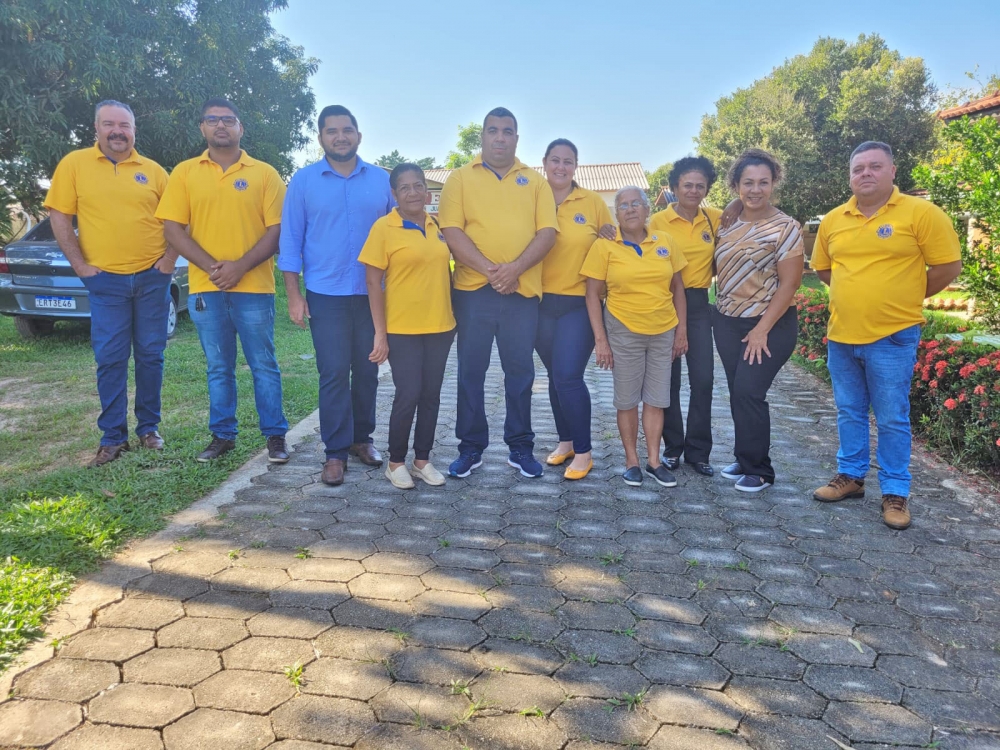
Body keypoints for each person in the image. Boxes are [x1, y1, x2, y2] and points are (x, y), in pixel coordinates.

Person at [811, 141, 962, 529]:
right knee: (849, 409)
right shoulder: (833, 219)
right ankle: (851, 477)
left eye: (875, 166)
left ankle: (895, 493)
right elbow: (825, 270)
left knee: (892, 416)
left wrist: (905, 295)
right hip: (843, 334)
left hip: (893, 336)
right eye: (858, 168)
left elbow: (947, 266)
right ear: (850, 175)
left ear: (893, 171)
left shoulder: (921, 214)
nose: (866, 173)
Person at [157, 97, 289, 464]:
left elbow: (277, 230)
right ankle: (222, 436)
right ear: (202, 127)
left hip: (255, 288)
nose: (221, 126)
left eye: (228, 120)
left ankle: (276, 437)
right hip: (205, 288)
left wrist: (240, 266)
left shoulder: (264, 173)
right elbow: (172, 227)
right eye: (212, 120)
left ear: (240, 128)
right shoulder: (184, 172)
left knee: (263, 363)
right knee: (218, 366)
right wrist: (216, 267)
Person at [44, 100, 175, 467]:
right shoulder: (74, 164)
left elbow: (177, 219)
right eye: (109, 124)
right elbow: (59, 216)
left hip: (152, 278)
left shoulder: (153, 171)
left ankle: (149, 429)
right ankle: (113, 438)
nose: (118, 131)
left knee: (152, 355)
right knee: (111, 358)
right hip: (106, 282)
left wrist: (167, 263)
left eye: (125, 125)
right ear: (96, 129)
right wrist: (81, 266)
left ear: (134, 130)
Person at [438, 107, 558, 479]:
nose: (500, 137)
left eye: (508, 131)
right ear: (483, 137)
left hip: (521, 294)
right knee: (471, 372)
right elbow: (453, 232)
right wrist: (492, 272)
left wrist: (514, 270)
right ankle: (471, 448)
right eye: (493, 130)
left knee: (520, 373)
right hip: (474, 292)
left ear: (517, 139)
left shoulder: (535, 182)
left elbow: (548, 233)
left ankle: (520, 446)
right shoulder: (459, 179)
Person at [278, 105, 393, 486]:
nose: (340, 136)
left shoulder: (381, 181)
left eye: (347, 130)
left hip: (372, 295)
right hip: (325, 293)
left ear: (359, 135)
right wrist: (294, 295)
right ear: (321, 137)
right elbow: (291, 240)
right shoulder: (304, 181)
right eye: (332, 131)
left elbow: (399, 236)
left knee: (368, 371)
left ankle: (363, 440)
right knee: (332, 374)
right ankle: (334, 452)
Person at [581, 186, 688, 488]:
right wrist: (600, 340)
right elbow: (592, 295)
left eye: (636, 204)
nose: (630, 210)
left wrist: (681, 329)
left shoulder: (665, 241)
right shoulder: (605, 246)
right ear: (616, 213)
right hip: (623, 329)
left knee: (656, 398)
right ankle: (631, 461)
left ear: (646, 210)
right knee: (627, 400)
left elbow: (678, 287)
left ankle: (654, 461)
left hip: (663, 329)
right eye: (623, 205)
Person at [358, 164, 456, 489]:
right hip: (402, 329)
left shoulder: (437, 225)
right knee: (408, 393)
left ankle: (422, 461)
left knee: (431, 396)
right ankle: (396, 462)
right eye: (405, 188)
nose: (413, 193)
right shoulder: (383, 228)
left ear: (427, 192)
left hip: (441, 326)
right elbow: (373, 283)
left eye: (418, 186)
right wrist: (380, 333)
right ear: (394, 194)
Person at [713, 148, 804, 492]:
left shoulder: (786, 227)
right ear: (736, 185)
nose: (755, 190)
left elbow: (791, 283)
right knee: (738, 393)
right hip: (726, 321)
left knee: (750, 392)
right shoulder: (728, 221)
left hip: (770, 324)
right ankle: (745, 457)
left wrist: (761, 330)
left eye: (763, 182)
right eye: (748, 183)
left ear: (773, 183)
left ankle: (761, 471)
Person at [535, 139, 614, 480]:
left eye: (568, 161)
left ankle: (584, 452)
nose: (561, 167)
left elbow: (612, 245)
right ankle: (565, 442)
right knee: (555, 378)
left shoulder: (593, 202)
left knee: (568, 376)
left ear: (576, 166)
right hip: (536, 303)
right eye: (555, 160)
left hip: (579, 304)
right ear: (545, 163)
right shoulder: (532, 198)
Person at [649, 156, 721, 477]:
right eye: (687, 185)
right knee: (670, 381)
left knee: (703, 380)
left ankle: (698, 452)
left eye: (700, 186)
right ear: (675, 186)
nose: (693, 191)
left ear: (707, 189)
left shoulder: (715, 219)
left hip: (699, 305)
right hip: (664, 304)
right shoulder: (657, 222)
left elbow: (741, 213)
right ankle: (673, 449)